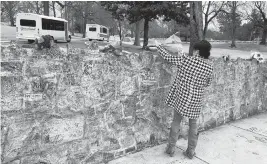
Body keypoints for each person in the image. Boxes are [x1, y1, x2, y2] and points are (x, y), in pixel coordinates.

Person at [154, 40, 213, 159]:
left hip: (182, 96)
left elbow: (167, 57)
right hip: (196, 99)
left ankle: (171, 148)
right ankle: (191, 151)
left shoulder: (186, 60)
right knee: (193, 124)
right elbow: (208, 83)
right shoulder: (209, 67)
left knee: (176, 121)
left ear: (197, 50)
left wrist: (159, 46)